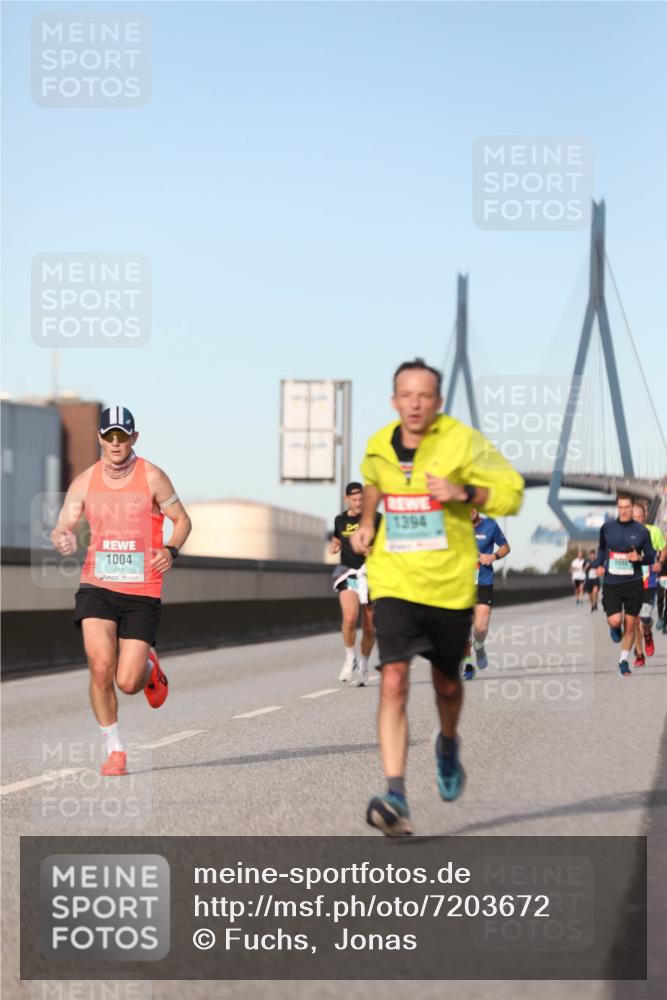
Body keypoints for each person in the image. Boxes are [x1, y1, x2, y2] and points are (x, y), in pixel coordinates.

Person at [351, 358, 524, 836]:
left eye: (424, 395)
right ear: (394, 401)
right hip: (394, 583)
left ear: (438, 402)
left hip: (449, 586)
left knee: (448, 685)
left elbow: (511, 493)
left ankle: (447, 744)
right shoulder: (378, 444)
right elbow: (371, 483)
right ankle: (396, 793)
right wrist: (367, 522)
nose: (415, 403)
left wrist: (463, 491)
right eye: (406, 395)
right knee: (394, 683)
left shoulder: (462, 442)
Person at [50, 406, 192, 775]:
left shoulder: (152, 476)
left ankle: (149, 668)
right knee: (100, 668)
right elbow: (62, 526)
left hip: (141, 589)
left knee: (127, 681)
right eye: (109, 435)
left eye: (122, 435)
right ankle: (115, 750)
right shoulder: (85, 481)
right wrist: (62, 537)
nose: (115, 442)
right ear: (100, 437)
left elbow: (182, 521)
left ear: (134, 438)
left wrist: (170, 549)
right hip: (97, 585)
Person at [592, 492, 655, 676]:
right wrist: (599, 565)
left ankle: (623, 661)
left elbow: (651, 556)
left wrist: (639, 557)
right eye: (620, 507)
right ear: (617, 508)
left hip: (633, 582)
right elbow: (602, 549)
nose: (624, 510)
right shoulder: (607, 528)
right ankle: (614, 628)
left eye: (627, 507)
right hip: (612, 582)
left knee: (630, 624)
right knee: (615, 621)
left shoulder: (642, 531)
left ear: (632, 507)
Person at [329, 482, 381, 686]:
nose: (359, 503)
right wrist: (335, 546)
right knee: (350, 618)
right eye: (355, 499)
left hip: (372, 574)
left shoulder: (375, 518)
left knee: (369, 626)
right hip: (348, 572)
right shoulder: (340, 520)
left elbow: (388, 542)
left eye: (362, 499)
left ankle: (364, 663)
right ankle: (350, 658)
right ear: (347, 499)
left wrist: (374, 550)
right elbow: (337, 539)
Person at [460, 508, 510, 680]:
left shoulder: (490, 526)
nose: (471, 510)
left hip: (483, 581)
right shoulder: (455, 526)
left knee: (480, 627)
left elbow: (505, 547)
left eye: (474, 506)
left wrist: (493, 556)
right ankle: (468, 664)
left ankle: (479, 646)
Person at [631, 500, 666, 666]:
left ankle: (648, 634)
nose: (637, 520)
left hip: (649, 582)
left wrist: (660, 561)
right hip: (630, 581)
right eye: (634, 517)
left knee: (644, 617)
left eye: (640, 517)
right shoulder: (624, 533)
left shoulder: (654, 531)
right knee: (634, 619)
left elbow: (664, 547)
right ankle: (639, 654)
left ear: (645, 516)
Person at [583, 547, 601, 613]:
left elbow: (600, 569)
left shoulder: (598, 561)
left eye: (594, 554)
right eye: (591, 555)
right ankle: (592, 605)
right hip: (589, 580)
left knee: (595, 592)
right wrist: (587, 566)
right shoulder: (586, 561)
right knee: (590, 595)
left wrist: (598, 571)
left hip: (596, 579)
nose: (592, 556)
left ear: (595, 555)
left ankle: (595, 602)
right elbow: (583, 570)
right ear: (590, 555)